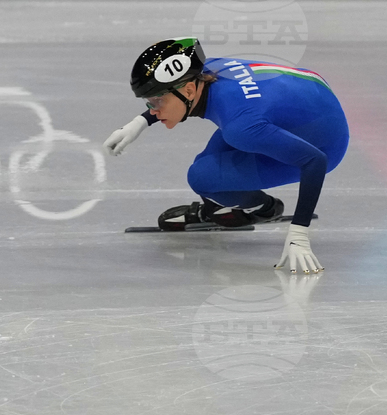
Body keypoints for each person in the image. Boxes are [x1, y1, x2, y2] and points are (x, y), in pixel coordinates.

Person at [103, 37, 350, 273]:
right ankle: (226, 203)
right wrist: (140, 122)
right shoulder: (208, 69)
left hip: (325, 143)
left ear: (189, 90)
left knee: (203, 177)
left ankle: (264, 208)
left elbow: (315, 160)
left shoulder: (241, 127)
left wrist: (299, 233)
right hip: (310, 98)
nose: (153, 110)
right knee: (207, 166)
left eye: (156, 102)